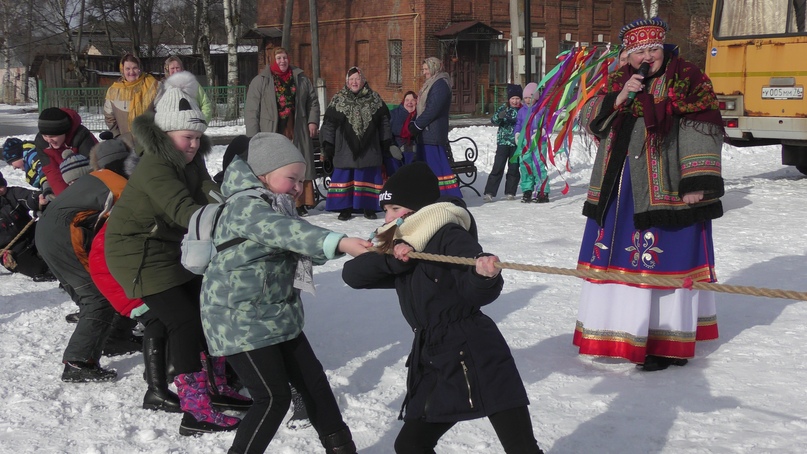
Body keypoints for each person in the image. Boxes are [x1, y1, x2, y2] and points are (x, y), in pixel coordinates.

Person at [342, 162, 544, 454]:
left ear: (415, 209)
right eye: (386, 210)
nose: (387, 217)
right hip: (433, 355)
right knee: (411, 444)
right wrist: (393, 258)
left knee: (521, 447)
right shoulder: (402, 243)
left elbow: (474, 290)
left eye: (393, 209)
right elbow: (353, 276)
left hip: (474, 350)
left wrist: (483, 275)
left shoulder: (448, 235)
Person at [200, 132, 368, 454]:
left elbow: (301, 245)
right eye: (291, 178)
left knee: (314, 384)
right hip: (238, 319)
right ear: (263, 173)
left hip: (275, 313)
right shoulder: (244, 207)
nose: (296, 187)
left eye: (301, 180)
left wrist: (358, 244)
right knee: (272, 398)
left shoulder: (277, 205)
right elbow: (285, 232)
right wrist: (341, 241)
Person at [574, 17, 724, 372]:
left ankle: (665, 342)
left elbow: (702, 126)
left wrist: (695, 181)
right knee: (618, 261)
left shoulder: (686, 77)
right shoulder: (617, 81)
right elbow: (587, 117)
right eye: (639, 51)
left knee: (666, 263)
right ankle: (618, 333)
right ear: (628, 56)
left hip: (667, 187)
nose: (647, 57)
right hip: (619, 190)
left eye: (653, 49)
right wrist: (620, 97)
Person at [104, 84, 247, 436]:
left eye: (198, 137)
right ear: (166, 135)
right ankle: (195, 409)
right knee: (183, 322)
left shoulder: (190, 160)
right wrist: (232, 223)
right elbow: (185, 211)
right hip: (136, 253)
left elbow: (207, 191)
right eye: (187, 137)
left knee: (207, 309)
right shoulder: (154, 167)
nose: (194, 144)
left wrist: (238, 206)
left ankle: (217, 388)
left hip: (168, 247)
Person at [35, 136, 142, 383]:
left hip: (48, 235)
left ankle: (115, 339)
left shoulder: (97, 176)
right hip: (63, 238)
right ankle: (78, 361)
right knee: (98, 297)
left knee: (104, 288)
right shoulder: (119, 185)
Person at [245, 47, 320, 217]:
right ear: (273, 60)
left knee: (298, 163)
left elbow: (313, 101)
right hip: (271, 129)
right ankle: (272, 199)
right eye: (278, 58)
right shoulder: (261, 81)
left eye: (284, 57)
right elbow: (251, 110)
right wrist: (253, 135)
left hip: (296, 128)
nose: (282, 61)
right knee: (274, 165)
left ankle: (300, 202)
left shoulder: (300, 78)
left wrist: (312, 121)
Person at [320, 66, 392, 221]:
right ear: (347, 82)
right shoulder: (338, 99)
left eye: (357, 79)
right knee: (345, 177)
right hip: (344, 148)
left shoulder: (374, 98)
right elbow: (328, 125)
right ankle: (344, 208)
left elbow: (384, 122)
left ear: (363, 80)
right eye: (351, 79)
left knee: (367, 176)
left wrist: (386, 141)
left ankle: (369, 207)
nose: (354, 82)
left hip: (370, 149)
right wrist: (328, 144)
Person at [406, 57, 462, 198]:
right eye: (423, 69)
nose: (424, 72)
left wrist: (417, 125)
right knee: (428, 167)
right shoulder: (431, 83)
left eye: (426, 69)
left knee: (437, 166)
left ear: (434, 68)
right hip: (426, 133)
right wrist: (414, 121)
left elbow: (433, 109)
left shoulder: (440, 85)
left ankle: (447, 194)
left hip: (433, 133)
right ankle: (429, 193)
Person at [0, 171, 52, 281]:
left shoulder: (12, 194)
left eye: (1, 185)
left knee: (55, 243)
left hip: (33, 233)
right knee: (39, 269)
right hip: (13, 250)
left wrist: (38, 199)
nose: (1, 189)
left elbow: (27, 196)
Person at [35, 107, 98, 197]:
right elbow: (51, 170)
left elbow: (93, 168)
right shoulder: (41, 141)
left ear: (64, 132)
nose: (49, 140)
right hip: (65, 178)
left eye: (53, 136)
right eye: (45, 135)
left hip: (87, 182)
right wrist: (64, 198)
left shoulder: (81, 137)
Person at [103, 53, 159, 146]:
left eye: (134, 68)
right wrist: (118, 136)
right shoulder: (114, 91)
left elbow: (162, 113)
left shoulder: (153, 86)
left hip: (150, 143)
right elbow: (109, 117)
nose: (131, 72)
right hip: (125, 144)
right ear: (122, 70)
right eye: (127, 69)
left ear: (140, 68)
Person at [483, 84, 522, 202]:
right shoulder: (503, 108)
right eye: (512, 99)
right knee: (498, 167)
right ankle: (490, 192)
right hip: (503, 143)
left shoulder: (522, 110)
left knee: (514, 169)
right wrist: (499, 116)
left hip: (516, 144)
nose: (515, 101)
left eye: (517, 98)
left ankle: (510, 192)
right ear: (509, 99)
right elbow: (493, 120)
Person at [513, 82, 550, 203]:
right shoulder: (522, 111)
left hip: (539, 142)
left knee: (538, 165)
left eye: (531, 97)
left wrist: (542, 131)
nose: (528, 100)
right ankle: (527, 190)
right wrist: (517, 133)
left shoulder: (542, 109)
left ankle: (542, 192)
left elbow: (548, 123)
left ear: (536, 97)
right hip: (525, 142)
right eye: (526, 98)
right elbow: (518, 124)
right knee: (525, 165)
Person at [159, 56, 213, 123]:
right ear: (167, 70)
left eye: (177, 68)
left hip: (191, 125)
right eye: (172, 68)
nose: (175, 71)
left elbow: (205, 103)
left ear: (182, 68)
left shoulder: (192, 83)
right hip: (170, 126)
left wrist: (203, 120)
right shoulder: (162, 87)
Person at [389, 91, 417, 166]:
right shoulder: (393, 114)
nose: (409, 103)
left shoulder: (419, 116)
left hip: (411, 147)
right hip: (395, 146)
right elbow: (386, 131)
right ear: (403, 101)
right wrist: (392, 146)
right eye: (407, 100)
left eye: (412, 100)